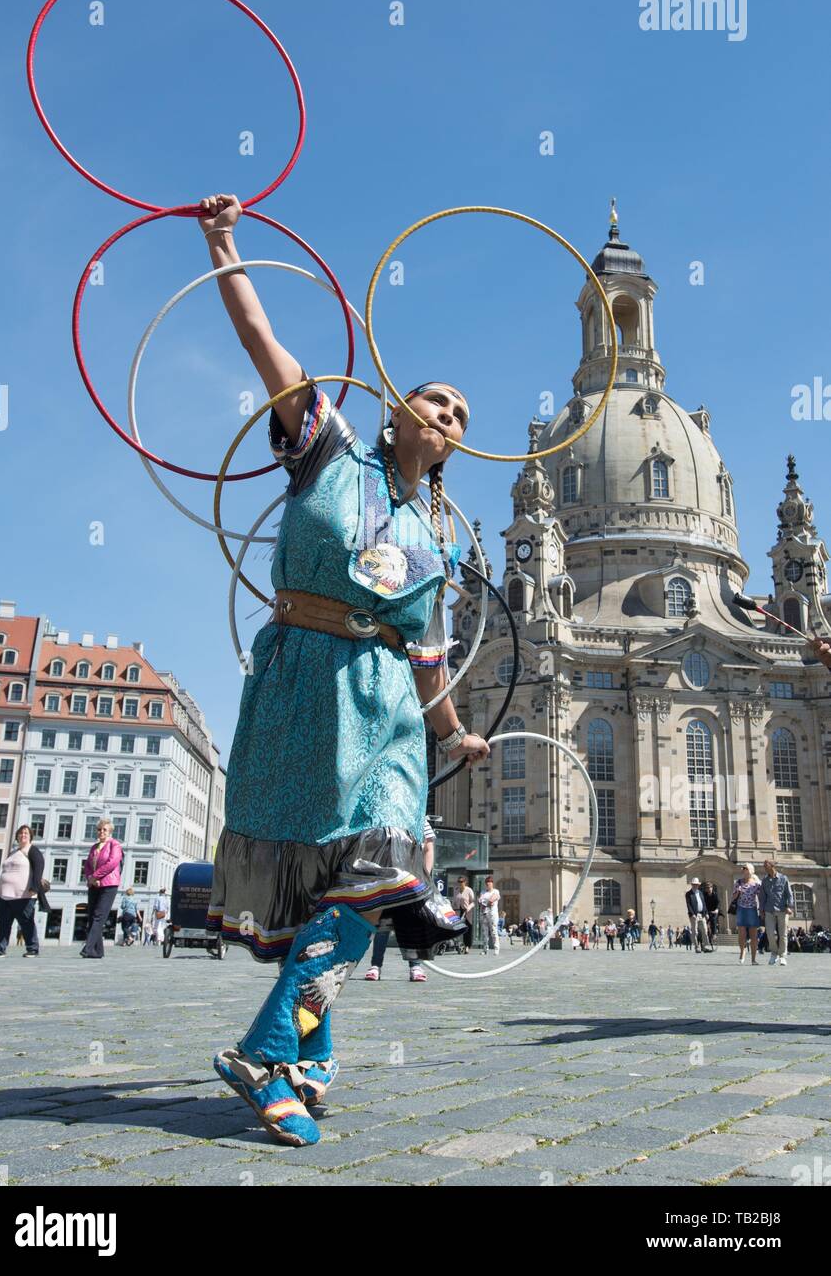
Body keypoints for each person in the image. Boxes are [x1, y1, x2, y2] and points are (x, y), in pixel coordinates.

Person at [199, 191, 489, 1147]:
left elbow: (427, 653)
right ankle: (304, 1061)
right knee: (330, 894)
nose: (447, 414)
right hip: (299, 686)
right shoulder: (328, 450)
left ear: (454, 445)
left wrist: (453, 730)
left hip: (383, 709)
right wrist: (225, 243)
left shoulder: (432, 541)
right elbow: (258, 336)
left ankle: (271, 1049)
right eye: (437, 399)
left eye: (459, 415)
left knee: (386, 871)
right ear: (400, 404)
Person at [365, 820, 436, 981]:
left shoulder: (419, 816)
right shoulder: (385, 815)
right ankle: (376, 965)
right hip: (387, 877)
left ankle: (415, 965)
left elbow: (428, 846)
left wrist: (424, 877)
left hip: (411, 878)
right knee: (383, 924)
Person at [0, 825, 50, 959]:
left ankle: (32, 949)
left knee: (26, 922)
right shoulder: (13, 852)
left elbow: (38, 869)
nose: (23, 835)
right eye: (20, 833)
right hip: (4, 895)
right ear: (17, 836)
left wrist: (34, 888)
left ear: (30, 836)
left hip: (24, 895)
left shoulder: (32, 851)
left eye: (26, 833)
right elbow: (5, 872)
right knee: (4, 923)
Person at [81, 819, 123, 958]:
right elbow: (87, 865)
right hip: (94, 884)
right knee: (92, 916)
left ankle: (88, 947)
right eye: (99, 829)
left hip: (109, 884)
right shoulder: (95, 847)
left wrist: (96, 876)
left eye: (104, 829)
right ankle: (98, 951)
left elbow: (112, 863)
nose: (101, 832)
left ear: (110, 831)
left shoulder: (115, 845)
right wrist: (90, 878)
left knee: (99, 916)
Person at [758, 859, 794, 966]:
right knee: (769, 934)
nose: (764, 867)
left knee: (783, 934)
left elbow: (789, 894)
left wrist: (789, 906)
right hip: (769, 910)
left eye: (766, 865)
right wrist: (761, 910)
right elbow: (762, 897)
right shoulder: (764, 880)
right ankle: (774, 953)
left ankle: (782, 955)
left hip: (782, 910)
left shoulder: (783, 878)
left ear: (772, 866)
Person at [731, 863, 762, 964]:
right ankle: (742, 951)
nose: (744, 870)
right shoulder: (738, 882)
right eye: (743, 869)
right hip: (741, 909)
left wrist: (762, 909)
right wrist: (738, 892)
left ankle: (753, 959)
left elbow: (761, 897)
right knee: (742, 934)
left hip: (752, 910)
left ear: (751, 871)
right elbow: (733, 897)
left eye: (746, 869)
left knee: (754, 936)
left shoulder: (756, 884)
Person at [684, 879, 713, 953]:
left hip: (702, 914)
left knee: (704, 930)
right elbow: (689, 905)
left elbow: (703, 904)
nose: (695, 886)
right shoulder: (688, 894)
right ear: (692, 885)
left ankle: (704, 946)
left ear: (698, 885)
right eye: (694, 884)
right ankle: (697, 947)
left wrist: (706, 913)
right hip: (694, 915)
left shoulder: (700, 893)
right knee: (695, 931)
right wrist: (692, 914)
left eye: (696, 884)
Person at [452, 875, 476, 954]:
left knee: (467, 930)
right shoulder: (456, 890)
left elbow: (473, 902)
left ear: (465, 882)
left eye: (461, 882)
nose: (460, 883)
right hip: (458, 912)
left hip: (467, 912)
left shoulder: (469, 890)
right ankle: (458, 945)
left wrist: (469, 907)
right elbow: (454, 901)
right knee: (458, 929)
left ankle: (467, 946)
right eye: (459, 882)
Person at [479, 876, 501, 955]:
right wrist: (487, 902)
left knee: (494, 931)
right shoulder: (483, 892)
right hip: (484, 914)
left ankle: (496, 949)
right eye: (487, 882)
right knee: (484, 932)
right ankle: (485, 949)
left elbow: (492, 900)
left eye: (490, 882)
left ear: (492, 883)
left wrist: (486, 902)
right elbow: (480, 901)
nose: (488, 883)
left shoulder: (496, 891)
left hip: (492, 914)